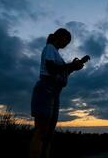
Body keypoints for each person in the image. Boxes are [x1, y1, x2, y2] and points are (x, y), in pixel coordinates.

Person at [29, 28, 86, 158]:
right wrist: (70, 65)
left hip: (55, 93)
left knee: (49, 133)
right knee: (42, 131)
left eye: (68, 41)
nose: (66, 43)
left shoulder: (56, 54)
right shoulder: (49, 48)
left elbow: (61, 71)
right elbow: (51, 68)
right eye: (66, 39)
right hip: (46, 89)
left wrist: (73, 67)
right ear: (58, 37)